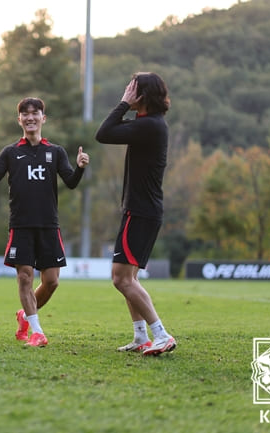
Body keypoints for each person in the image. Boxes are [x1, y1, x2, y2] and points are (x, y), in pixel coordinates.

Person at [0, 97, 89, 347]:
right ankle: (37, 332)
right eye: (25, 114)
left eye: (35, 113)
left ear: (42, 118)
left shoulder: (55, 152)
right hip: (21, 225)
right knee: (25, 277)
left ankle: (24, 317)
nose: (30, 118)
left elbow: (70, 182)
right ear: (19, 120)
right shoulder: (11, 152)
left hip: (49, 225)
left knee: (51, 281)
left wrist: (80, 167)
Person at [95, 72, 176, 356]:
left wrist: (122, 104)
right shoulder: (148, 125)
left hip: (141, 212)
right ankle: (141, 336)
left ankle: (161, 334)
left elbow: (103, 133)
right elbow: (110, 132)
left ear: (141, 96)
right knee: (129, 278)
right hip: (141, 210)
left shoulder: (150, 126)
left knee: (121, 278)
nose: (127, 92)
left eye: (131, 89)